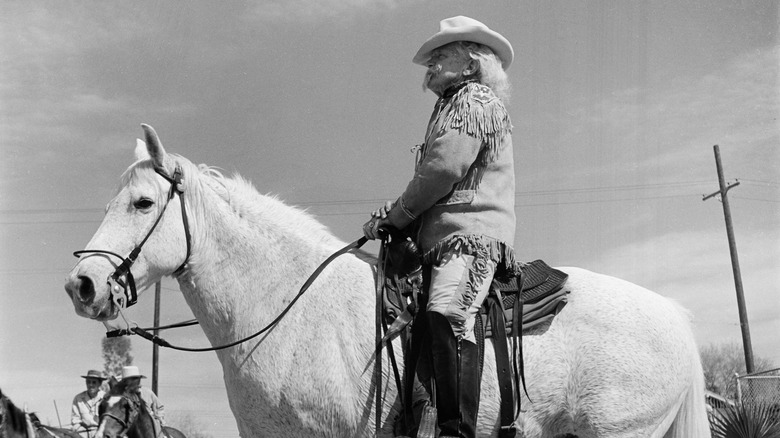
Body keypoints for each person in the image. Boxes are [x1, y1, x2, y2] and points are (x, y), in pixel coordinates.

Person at [363, 16, 516, 438]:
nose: (430, 66)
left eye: (440, 57)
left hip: (469, 239)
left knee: (447, 312)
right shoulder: (449, 106)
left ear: (470, 65)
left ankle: (456, 431)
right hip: (440, 241)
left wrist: (398, 215)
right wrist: (398, 218)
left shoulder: (474, 100)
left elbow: (444, 169)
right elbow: (434, 181)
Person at [120, 366, 166, 435]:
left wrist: (158, 417)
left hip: (150, 425)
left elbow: (160, 407)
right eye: (130, 380)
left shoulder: (147, 392)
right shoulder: (121, 395)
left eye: (135, 379)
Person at [71, 369, 106, 437]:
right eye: (88, 382)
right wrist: (78, 426)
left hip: (101, 431)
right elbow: (75, 419)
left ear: (100, 383)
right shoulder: (78, 398)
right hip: (83, 431)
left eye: (94, 382)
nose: (91, 385)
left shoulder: (106, 398)